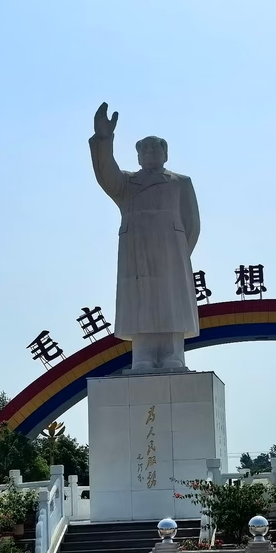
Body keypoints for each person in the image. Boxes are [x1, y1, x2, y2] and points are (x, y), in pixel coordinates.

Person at [89, 102, 201, 373]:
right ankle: (143, 355)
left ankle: (173, 354)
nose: (150, 152)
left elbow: (192, 224)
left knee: (170, 302)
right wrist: (104, 138)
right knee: (140, 303)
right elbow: (106, 173)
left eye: (155, 148)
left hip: (171, 253)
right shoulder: (126, 184)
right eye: (144, 149)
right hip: (136, 250)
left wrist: (178, 255)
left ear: (165, 154)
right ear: (138, 156)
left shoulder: (180, 182)